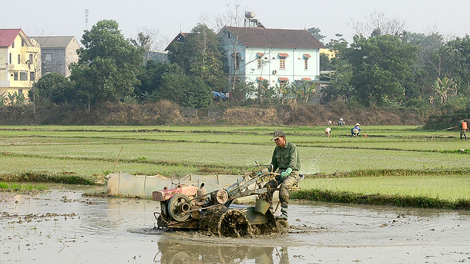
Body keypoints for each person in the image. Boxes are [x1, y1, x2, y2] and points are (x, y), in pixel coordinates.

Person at [265, 130, 301, 220]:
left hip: (292, 173)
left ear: (283, 138)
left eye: (277, 139)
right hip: (280, 173)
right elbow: (273, 164)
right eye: (275, 140)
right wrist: (266, 171)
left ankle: (284, 213)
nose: (276, 142)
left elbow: (293, 162)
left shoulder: (292, 147)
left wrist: (288, 171)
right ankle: (269, 211)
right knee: (267, 187)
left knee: (284, 187)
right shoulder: (276, 149)